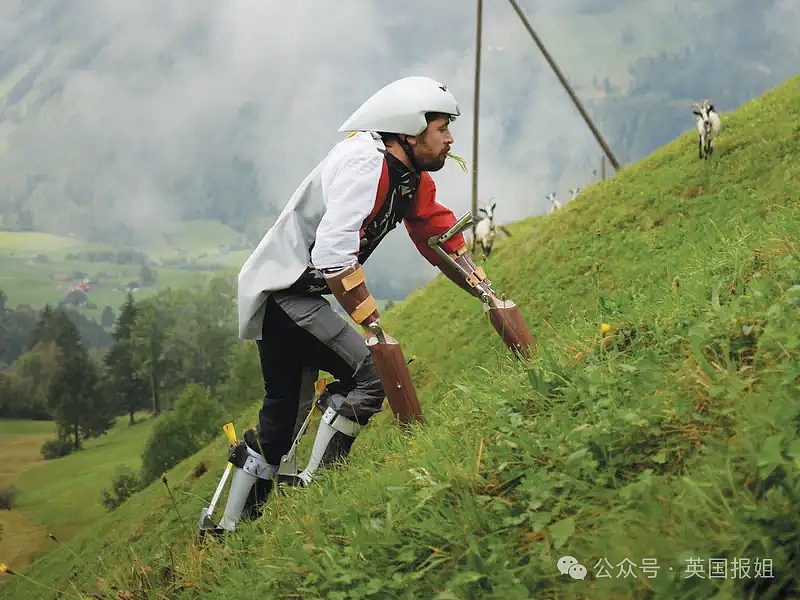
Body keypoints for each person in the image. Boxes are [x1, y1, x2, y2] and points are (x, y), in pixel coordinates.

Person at [216, 76, 504, 531]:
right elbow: (333, 255)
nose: (450, 139)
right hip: (286, 295)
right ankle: (319, 489)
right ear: (410, 131)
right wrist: (372, 322)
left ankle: (226, 531)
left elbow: (435, 229)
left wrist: (487, 292)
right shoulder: (363, 165)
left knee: (280, 426)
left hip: (294, 296)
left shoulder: (408, 175)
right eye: (442, 127)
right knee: (371, 373)